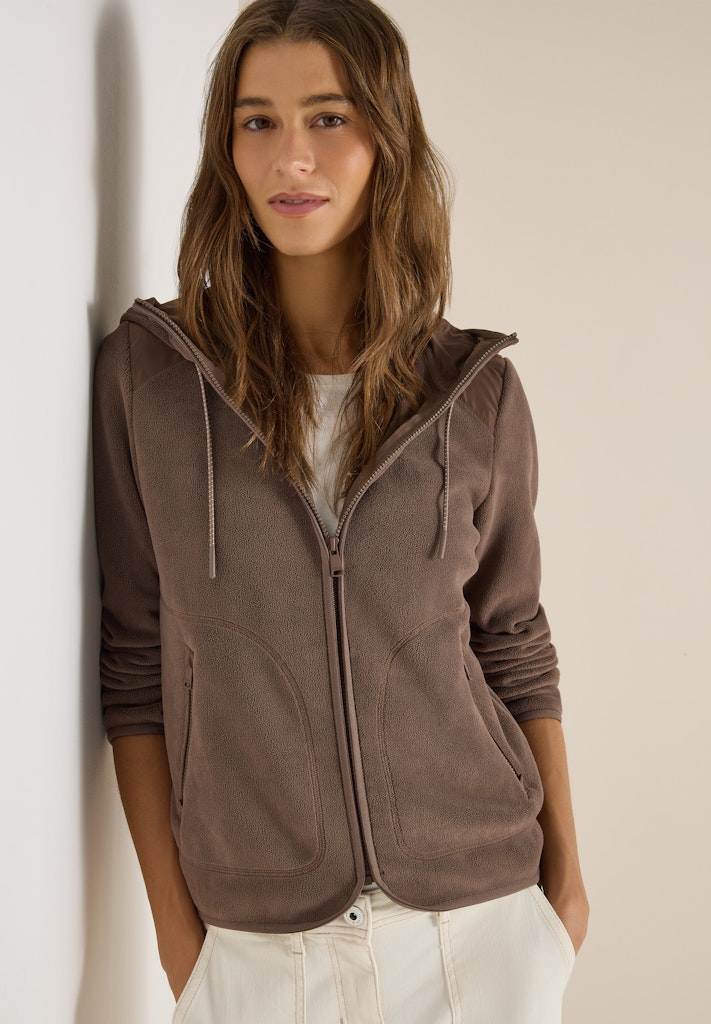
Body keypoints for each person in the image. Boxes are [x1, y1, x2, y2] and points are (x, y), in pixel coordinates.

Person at [92, 0, 589, 1020]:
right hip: (262, 952)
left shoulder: (474, 394)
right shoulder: (151, 380)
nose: (292, 157)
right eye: (258, 121)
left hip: (482, 929)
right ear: (225, 147)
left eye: (328, 117)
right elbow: (135, 658)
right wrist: (179, 934)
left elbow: (511, 639)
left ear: (385, 140)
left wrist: (565, 895)